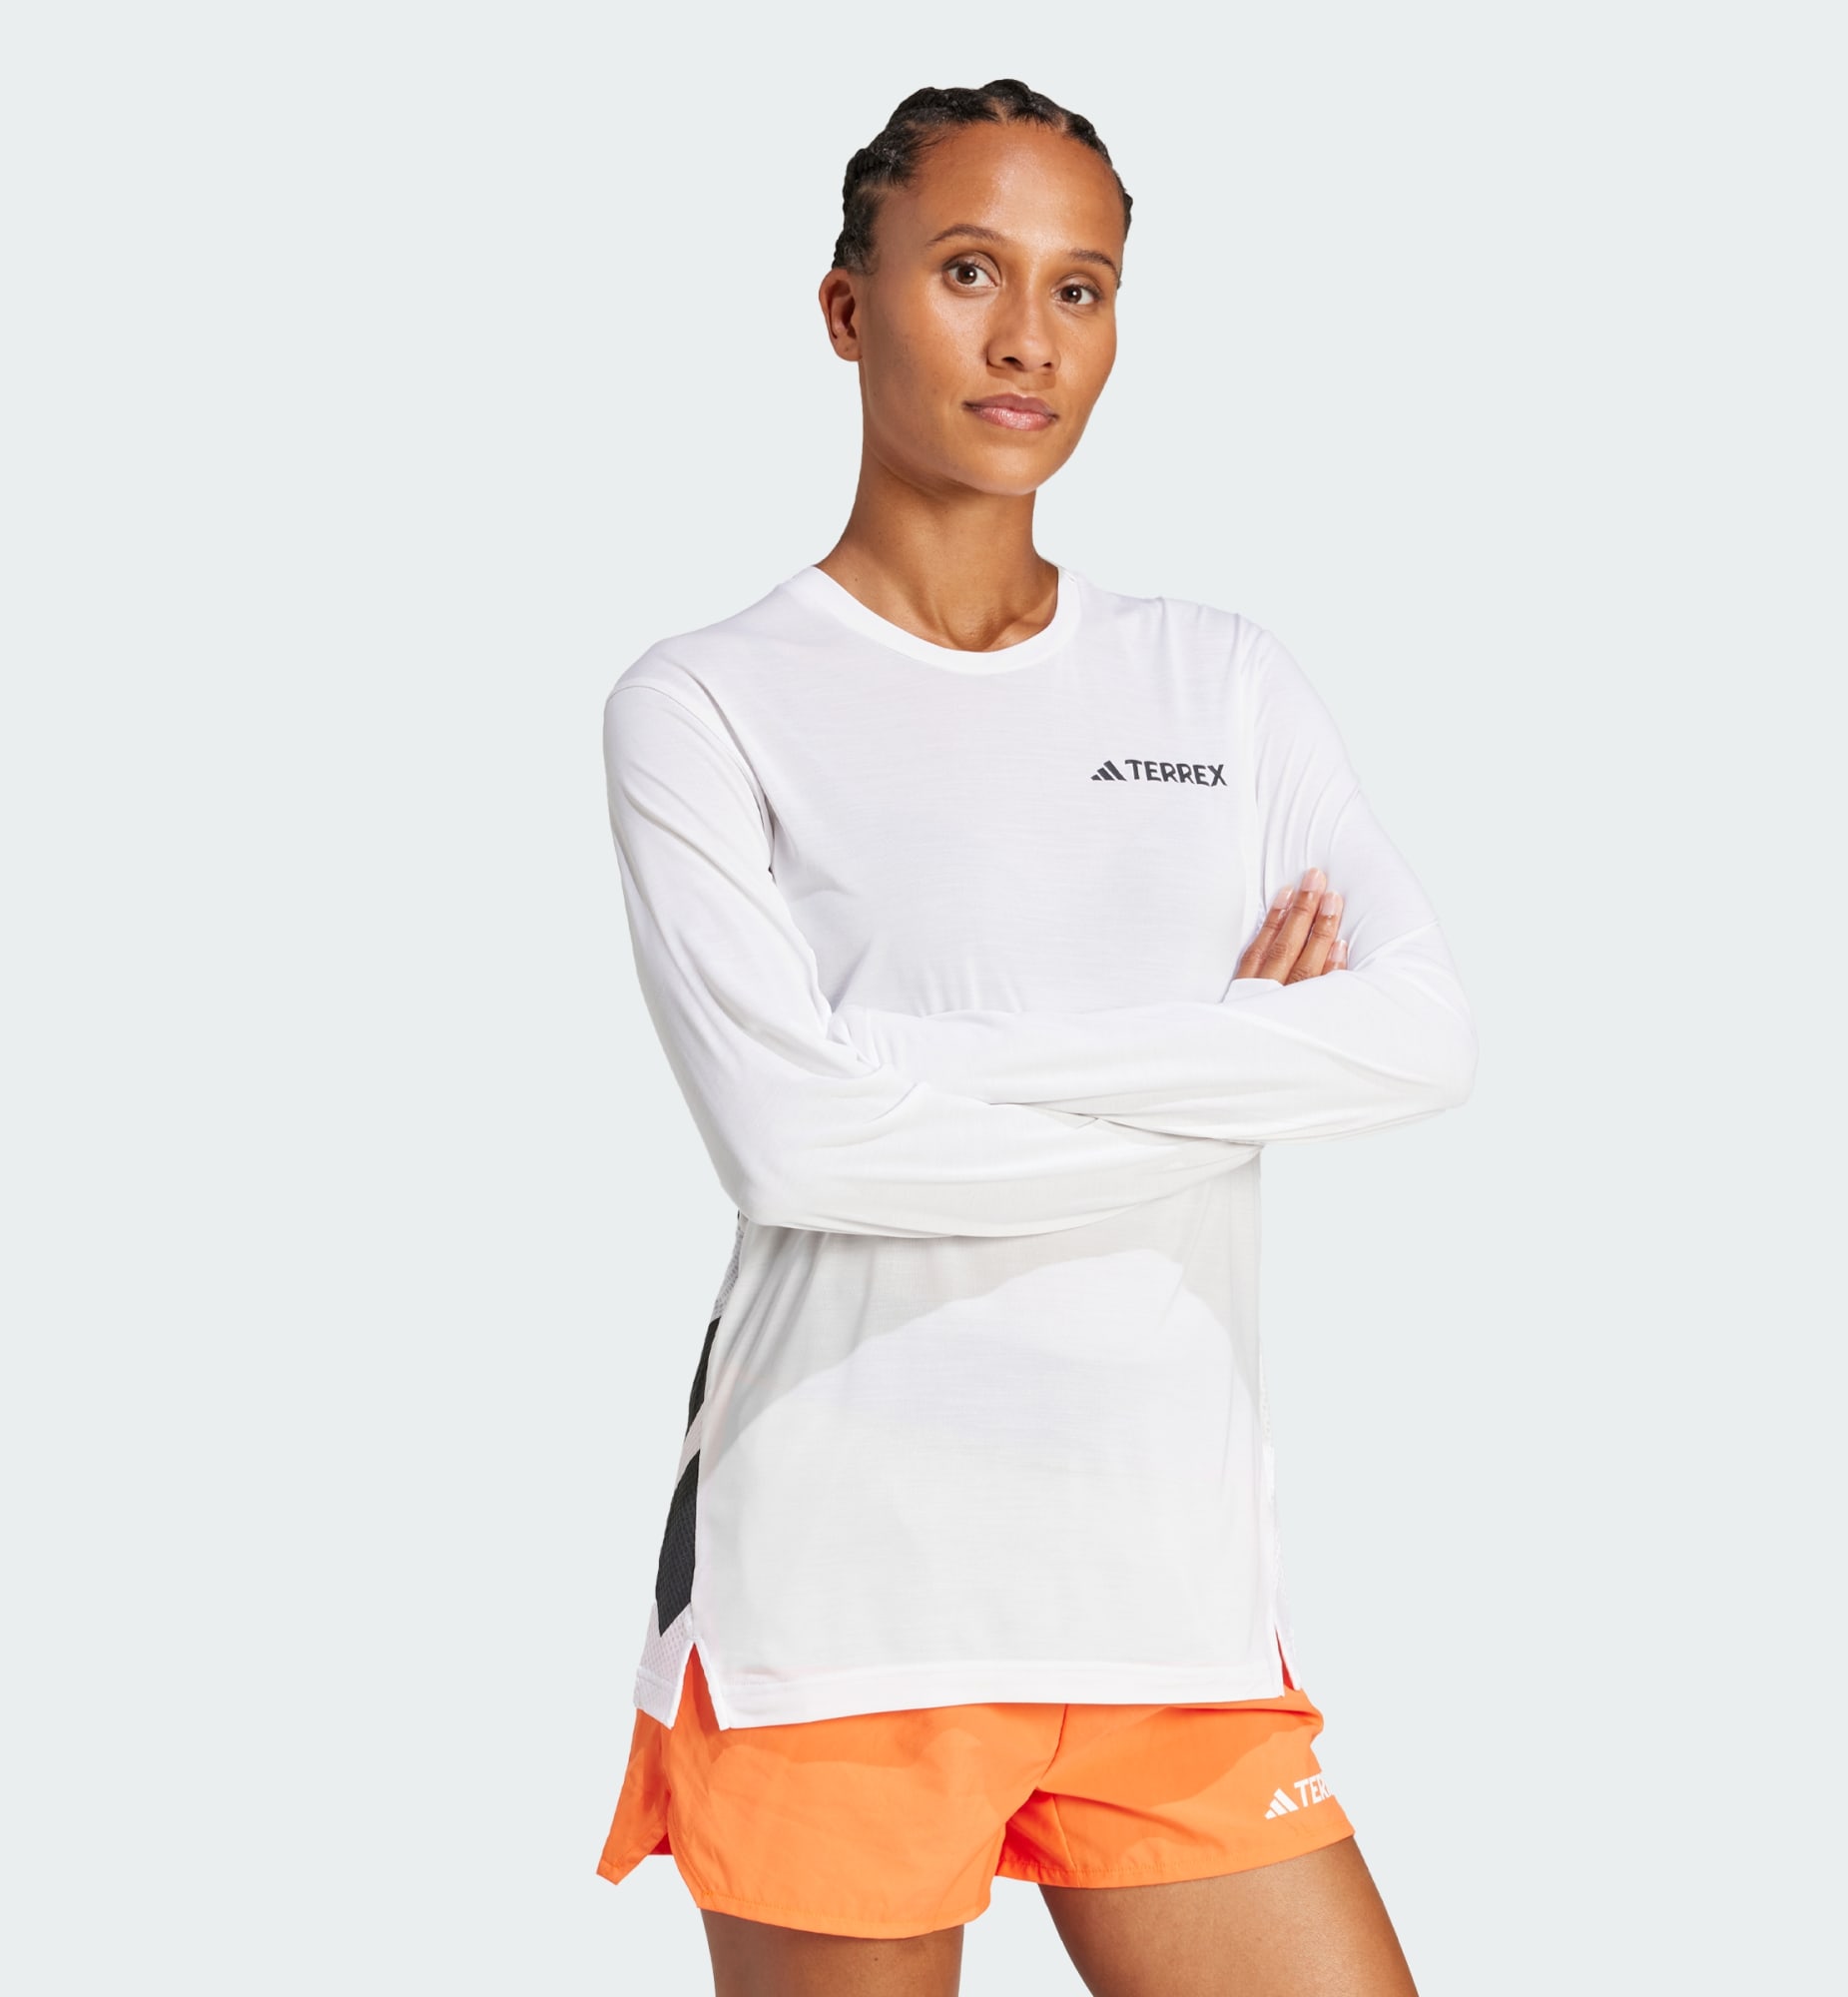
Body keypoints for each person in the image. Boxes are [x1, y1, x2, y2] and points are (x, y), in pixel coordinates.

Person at [594, 77, 1476, 1997]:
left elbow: (1419, 1038)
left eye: (1082, 289)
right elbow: (796, 1148)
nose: (1029, 339)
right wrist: (1231, 1060)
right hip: (839, 1607)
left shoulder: (1218, 681)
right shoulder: (709, 702)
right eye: (970, 272)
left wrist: (916, 1065)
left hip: (1171, 1610)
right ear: (848, 308)